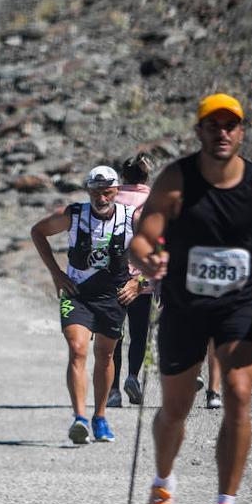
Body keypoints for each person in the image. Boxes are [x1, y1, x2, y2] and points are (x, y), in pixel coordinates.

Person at [131, 93, 252, 504]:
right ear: (199, 131)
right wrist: (148, 260)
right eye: (213, 125)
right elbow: (142, 236)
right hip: (184, 309)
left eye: (231, 125)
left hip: (238, 307)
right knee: (175, 408)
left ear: (242, 131)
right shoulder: (176, 179)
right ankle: (161, 490)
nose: (222, 133)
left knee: (239, 396)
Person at [30, 165, 140, 445]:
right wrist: (56, 273)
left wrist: (139, 282)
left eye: (107, 193)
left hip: (113, 296)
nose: (101, 199)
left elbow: (162, 247)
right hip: (77, 292)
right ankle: (79, 418)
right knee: (77, 349)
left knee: (105, 354)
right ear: (88, 191)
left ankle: (100, 417)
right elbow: (38, 232)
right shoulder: (74, 215)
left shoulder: (132, 218)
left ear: (117, 191)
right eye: (95, 193)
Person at [108, 153, 156, 407]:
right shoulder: (153, 203)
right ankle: (133, 377)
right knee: (139, 334)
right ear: (146, 176)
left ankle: (113, 390)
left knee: (114, 334)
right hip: (141, 281)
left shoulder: (111, 199)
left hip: (113, 278)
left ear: (123, 176)